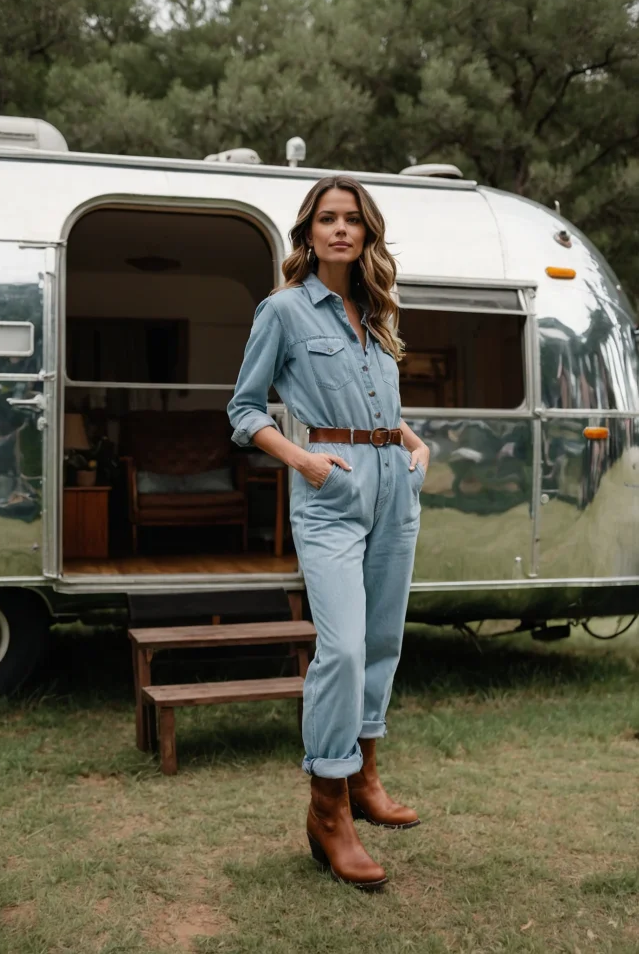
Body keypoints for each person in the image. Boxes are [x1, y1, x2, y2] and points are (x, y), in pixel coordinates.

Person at [227, 175, 429, 890]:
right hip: (330, 490)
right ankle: (329, 806)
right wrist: (303, 460)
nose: (340, 229)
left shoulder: (374, 313)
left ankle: (368, 777)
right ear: (307, 233)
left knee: (381, 642)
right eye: (326, 218)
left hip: (393, 486)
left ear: (366, 234)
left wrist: (412, 442)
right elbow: (245, 411)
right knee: (340, 649)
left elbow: (378, 403)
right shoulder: (282, 311)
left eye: (352, 220)